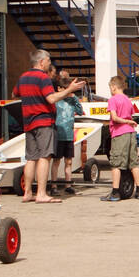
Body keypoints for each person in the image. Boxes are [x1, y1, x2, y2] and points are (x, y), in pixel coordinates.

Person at [16, 50, 85, 203]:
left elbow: (16, 93)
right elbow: (51, 98)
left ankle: (28, 192)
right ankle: (41, 193)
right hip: (43, 122)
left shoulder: (23, 77)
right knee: (44, 157)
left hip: (28, 122)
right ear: (41, 62)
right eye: (48, 60)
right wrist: (69, 90)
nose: (49, 63)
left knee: (31, 158)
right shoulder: (43, 78)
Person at [102, 75, 139, 201]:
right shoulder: (127, 100)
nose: (110, 90)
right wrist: (129, 122)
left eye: (110, 88)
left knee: (116, 163)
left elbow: (115, 117)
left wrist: (126, 121)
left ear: (114, 87)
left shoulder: (113, 100)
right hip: (131, 133)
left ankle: (115, 192)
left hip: (120, 133)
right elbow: (130, 115)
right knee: (133, 162)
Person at [49, 70, 82, 195]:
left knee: (68, 161)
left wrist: (75, 98)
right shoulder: (56, 101)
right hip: (58, 135)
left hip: (69, 135)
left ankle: (68, 184)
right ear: (59, 89)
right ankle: (53, 185)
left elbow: (80, 111)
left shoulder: (71, 101)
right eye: (66, 90)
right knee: (56, 161)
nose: (68, 92)